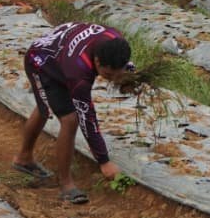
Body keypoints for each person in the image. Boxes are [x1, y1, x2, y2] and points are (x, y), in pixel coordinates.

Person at [13, 21, 133, 205]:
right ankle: (66, 185)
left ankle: (23, 158)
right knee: (70, 119)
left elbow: (124, 65)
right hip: (40, 63)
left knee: (45, 107)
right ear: (97, 62)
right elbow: (87, 118)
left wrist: (130, 74)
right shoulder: (79, 72)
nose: (112, 79)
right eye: (108, 75)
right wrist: (104, 161)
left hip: (60, 56)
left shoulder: (115, 40)